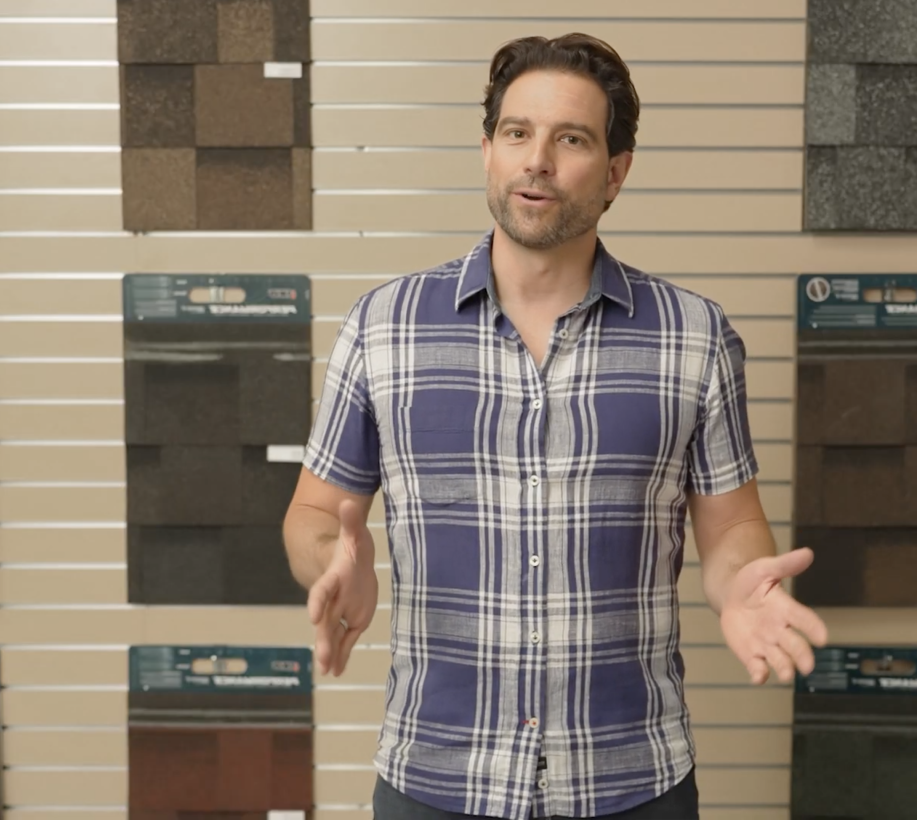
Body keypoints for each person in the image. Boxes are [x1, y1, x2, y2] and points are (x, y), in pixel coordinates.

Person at [282, 32, 828, 820]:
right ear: (488, 151)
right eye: (517, 132)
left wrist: (741, 586)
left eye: (570, 138)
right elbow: (310, 514)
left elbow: (733, 526)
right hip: (438, 776)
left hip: (632, 781)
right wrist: (337, 562)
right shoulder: (383, 328)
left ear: (615, 172)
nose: (537, 158)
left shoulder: (695, 337)